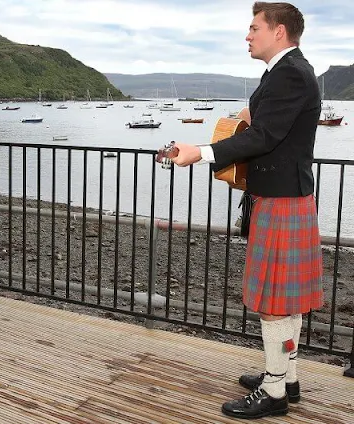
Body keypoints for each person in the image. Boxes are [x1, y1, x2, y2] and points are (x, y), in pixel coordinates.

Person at [170, 2, 323, 420]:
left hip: (281, 199)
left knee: (274, 300)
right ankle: (285, 377)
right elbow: (267, 118)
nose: (247, 35)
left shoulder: (291, 72)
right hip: (281, 197)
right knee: (284, 300)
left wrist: (200, 152)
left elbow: (265, 136)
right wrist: (245, 113)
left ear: (279, 31)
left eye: (254, 27)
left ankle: (274, 392)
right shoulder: (284, 71)